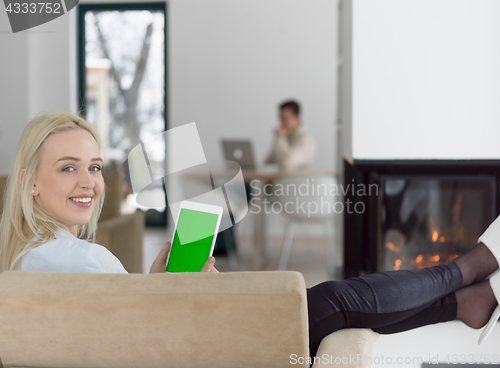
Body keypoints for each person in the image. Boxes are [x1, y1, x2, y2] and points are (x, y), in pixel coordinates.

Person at [1, 112, 499, 363]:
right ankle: (469, 267)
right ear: (30, 181)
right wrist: (170, 291)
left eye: (92, 167)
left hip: (188, 340)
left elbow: (123, 326)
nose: (88, 182)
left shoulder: (38, 261)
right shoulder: (73, 259)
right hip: (214, 348)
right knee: (338, 298)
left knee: (335, 302)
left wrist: (159, 284)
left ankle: (463, 299)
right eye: (68, 168)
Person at [264, 100, 315, 169]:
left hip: (296, 179)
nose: (281, 123)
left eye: (285, 119)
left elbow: (287, 162)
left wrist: (280, 137)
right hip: (279, 178)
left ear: (296, 118)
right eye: (280, 119)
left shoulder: (304, 140)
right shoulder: (285, 137)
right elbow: (267, 162)